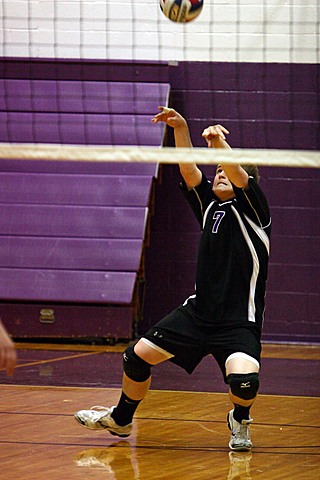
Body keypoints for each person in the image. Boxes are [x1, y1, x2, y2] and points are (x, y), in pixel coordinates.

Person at [74, 107, 271, 452]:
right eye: (218, 172)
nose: (221, 174)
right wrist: (180, 127)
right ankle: (121, 419)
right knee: (136, 356)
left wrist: (220, 146)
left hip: (238, 323)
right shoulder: (210, 206)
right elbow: (188, 168)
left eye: (227, 171)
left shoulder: (255, 212)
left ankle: (239, 421)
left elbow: (239, 175)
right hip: (197, 315)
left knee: (244, 382)